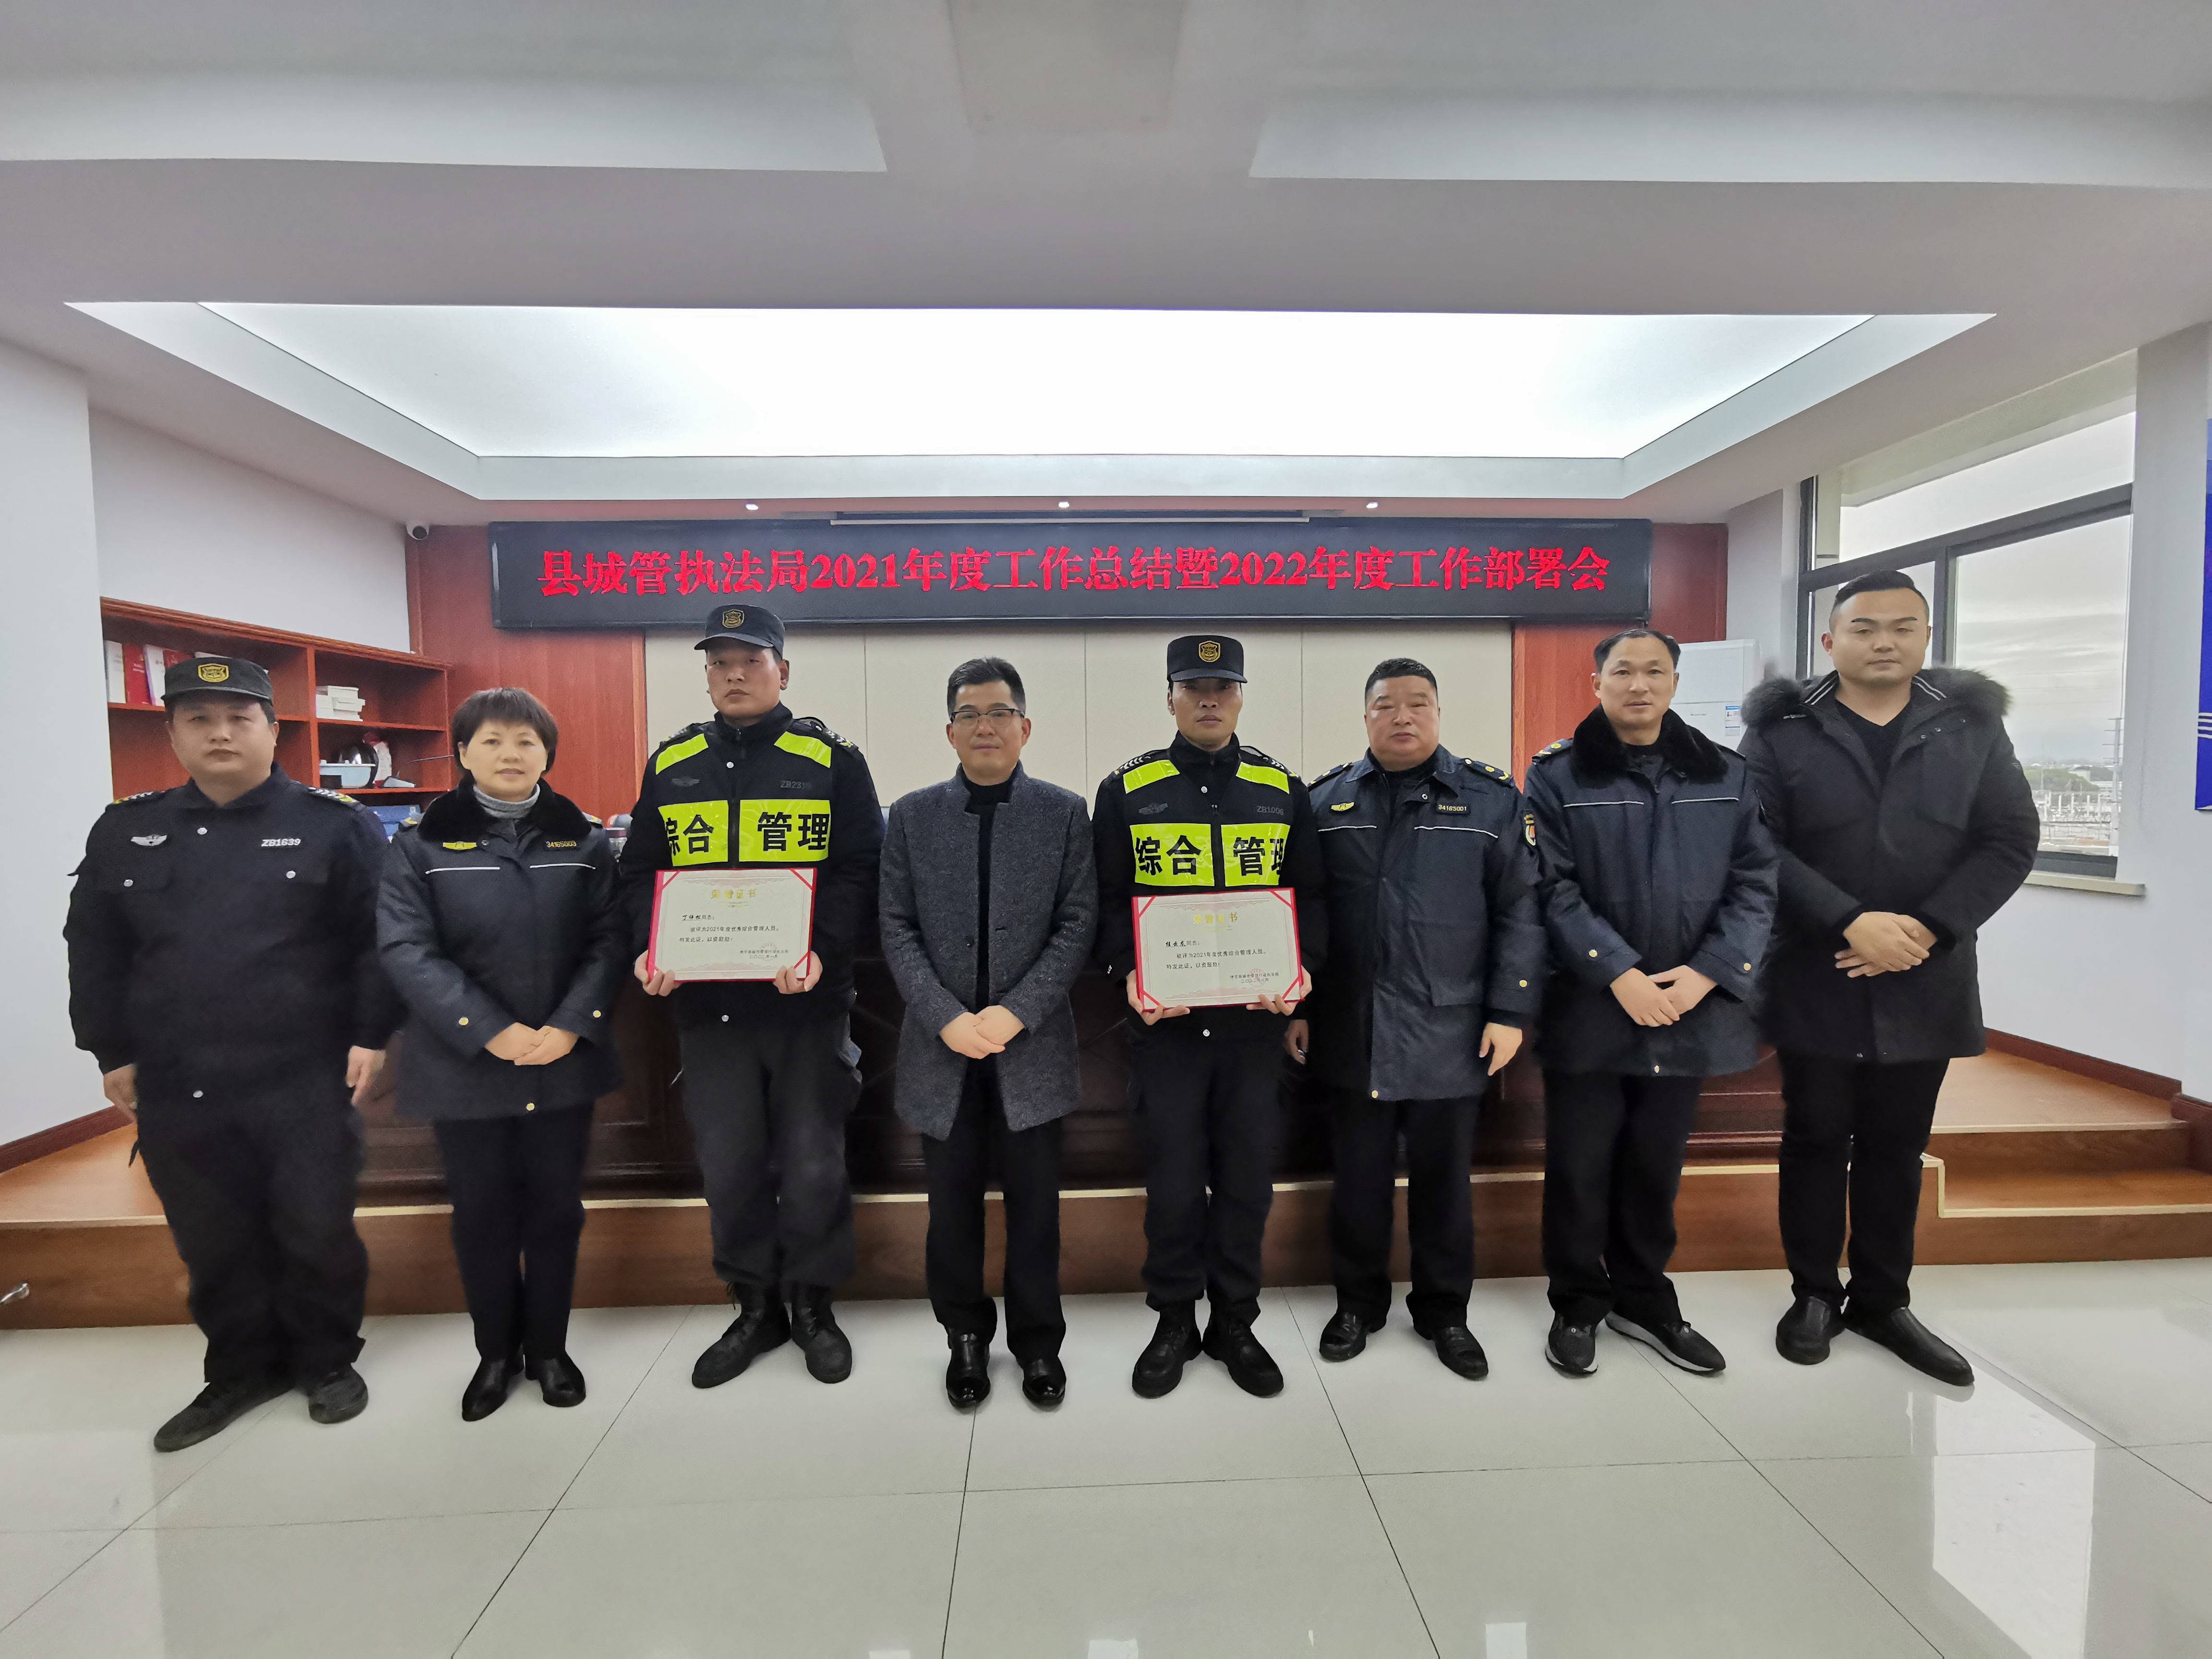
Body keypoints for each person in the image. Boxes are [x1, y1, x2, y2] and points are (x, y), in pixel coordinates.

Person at [64, 656, 396, 1451]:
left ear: (272, 731)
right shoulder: (125, 830)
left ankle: (326, 1361)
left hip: (304, 1071)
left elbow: (379, 940)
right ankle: (239, 1370)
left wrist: (372, 1034)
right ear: (172, 733)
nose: (220, 734)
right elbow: (94, 949)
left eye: (239, 719)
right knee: (211, 1235)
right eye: (199, 719)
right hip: (178, 1076)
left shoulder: (335, 824)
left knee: (316, 1225)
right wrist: (110, 1051)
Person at [1741, 570, 2038, 1385]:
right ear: (1830, 640)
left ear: (1927, 637)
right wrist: (1850, 921)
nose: (1884, 641)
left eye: (1903, 627)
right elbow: (1756, 844)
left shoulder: (1971, 725)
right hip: (1817, 966)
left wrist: (1926, 930)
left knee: (1898, 1146)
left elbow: (2010, 839)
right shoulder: (1782, 729)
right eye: (1864, 627)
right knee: (1813, 1138)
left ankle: (1882, 1300)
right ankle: (1813, 1293)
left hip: (1924, 972)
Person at [621, 602, 883, 1387]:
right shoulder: (672, 763)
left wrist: (819, 950)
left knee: (812, 1161)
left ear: (783, 672)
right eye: (720, 664)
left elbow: (861, 871)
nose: (734, 676)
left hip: (806, 1003)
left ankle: (813, 1306)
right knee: (729, 1163)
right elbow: (640, 871)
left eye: (751, 662)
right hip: (710, 1008)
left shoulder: (832, 759)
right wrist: (649, 946)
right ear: (707, 677)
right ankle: (754, 1306)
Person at [1524, 627, 1777, 1378]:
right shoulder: (1556, 777)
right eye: (1624, 672)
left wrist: (1706, 974)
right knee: (1579, 1164)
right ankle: (1577, 1301)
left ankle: (1643, 1297)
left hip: (1688, 1005)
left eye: (1655, 672)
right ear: (1596, 683)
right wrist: (1619, 973)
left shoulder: (1726, 774)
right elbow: (1549, 887)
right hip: (1592, 1004)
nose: (1639, 684)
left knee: (1656, 1163)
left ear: (1675, 683)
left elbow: (1756, 882)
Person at [1288, 658, 1545, 1380]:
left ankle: (1444, 1312)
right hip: (1353, 1025)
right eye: (1386, 704)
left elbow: (1521, 911)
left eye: (1418, 703)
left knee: (1444, 1182)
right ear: (1365, 715)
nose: (1402, 716)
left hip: (1452, 1027)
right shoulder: (1326, 801)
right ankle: (1358, 1304)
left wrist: (1509, 1009)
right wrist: (1299, 1007)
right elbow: (1301, 914)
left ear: (1438, 713)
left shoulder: (1491, 801)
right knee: (1358, 1180)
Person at [378, 687, 629, 1421]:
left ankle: (548, 1350)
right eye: (491, 740)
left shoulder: (583, 842)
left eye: (526, 741)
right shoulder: (418, 844)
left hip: (562, 1057)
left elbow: (611, 939)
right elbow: (404, 946)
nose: (510, 754)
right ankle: (495, 1353)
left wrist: (572, 1024)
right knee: (480, 1213)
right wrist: (487, 1028)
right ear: (463, 752)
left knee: (556, 1209)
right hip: (464, 1063)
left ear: (548, 753)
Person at [1092, 635, 1326, 1399]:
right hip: (1167, 1031)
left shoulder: (1281, 788)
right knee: (1173, 1182)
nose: (1209, 700)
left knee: (1246, 1182)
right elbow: (1107, 900)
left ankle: (1235, 1320)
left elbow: (1311, 896)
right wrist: (1130, 971)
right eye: (1194, 687)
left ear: (1241, 696)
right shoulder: (1127, 790)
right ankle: (1173, 1320)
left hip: (1253, 1030)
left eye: (1223, 687)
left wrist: (1300, 975)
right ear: (1170, 697)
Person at [879, 657, 1098, 1410]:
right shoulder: (911, 817)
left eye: (1000, 713)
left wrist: (1017, 1011)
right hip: (941, 1051)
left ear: (1025, 727)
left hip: (1028, 1047)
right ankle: (965, 1336)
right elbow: (896, 927)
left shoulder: (1065, 814)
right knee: (951, 1209)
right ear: (950, 732)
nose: (985, 727)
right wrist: (945, 1016)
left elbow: (1077, 926)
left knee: (1037, 1208)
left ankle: (1039, 1344)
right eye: (969, 714)